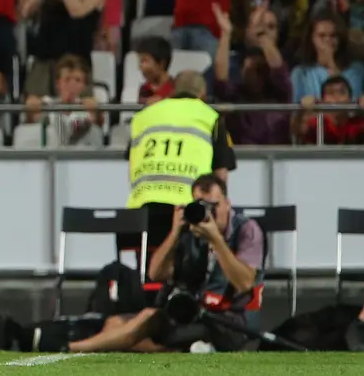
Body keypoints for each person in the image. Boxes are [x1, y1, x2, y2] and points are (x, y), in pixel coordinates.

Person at [65, 174, 264, 354]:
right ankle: (183, 351)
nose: (209, 214)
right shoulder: (191, 230)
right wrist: (175, 232)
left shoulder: (247, 231)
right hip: (190, 312)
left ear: (228, 204)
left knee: (147, 321)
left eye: (214, 206)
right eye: (201, 206)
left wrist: (216, 241)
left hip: (229, 322)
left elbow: (245, 283)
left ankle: (72, 348)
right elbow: (156, 273)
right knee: (114, 322)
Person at [122, 71, 238, 260]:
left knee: (147, 276)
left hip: (141, 215)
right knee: (189, 275)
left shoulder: (144, 116)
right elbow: (220, 175)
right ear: (202, 94)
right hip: (187, 213)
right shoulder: (210, 116)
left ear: (173, 91)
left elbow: (132, 164)